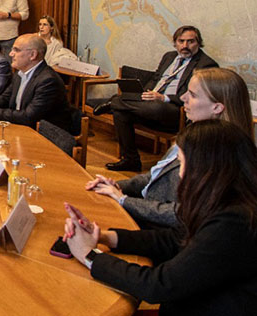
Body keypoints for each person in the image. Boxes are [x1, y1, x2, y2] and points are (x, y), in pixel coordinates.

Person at [63, 119, 257, 315]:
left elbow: (159, 285)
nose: (180, 174)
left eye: (182, 163)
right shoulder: (228, 203)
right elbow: (174, 239)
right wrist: (104, 237)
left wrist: (89, 255)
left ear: (207, 169)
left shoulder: (234, 222)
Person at [87, 68, 254, 229]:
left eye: (193, 95)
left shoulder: (220, 155)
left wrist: (124, 200)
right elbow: (155, 176)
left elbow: (182, 213)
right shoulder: (191, 135)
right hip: (142, 210)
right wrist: (116, 185)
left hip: (158, 229)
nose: (183, 98)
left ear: (217, 107)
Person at [95, 25, 219, 171]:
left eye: (190, 41)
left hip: (173, 110)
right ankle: (131, 160)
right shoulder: (169, 56)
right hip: (149, 104)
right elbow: (156, 79)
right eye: (181, 41)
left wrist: (163, 97)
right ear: (175, 43)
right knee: (121, 112)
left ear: (198, 43)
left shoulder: (207, 64)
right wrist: (147, 93)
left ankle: (114, 102)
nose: (185, 45)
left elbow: (194, 96)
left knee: (151, 106)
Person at [0, 33, 71, 130]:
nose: (10, 54)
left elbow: (29, 117)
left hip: (46, 136)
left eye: (16, 50)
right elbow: (5, 99)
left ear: (33, 55)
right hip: (21, 126)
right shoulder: (20, 73)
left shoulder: (48, 81)